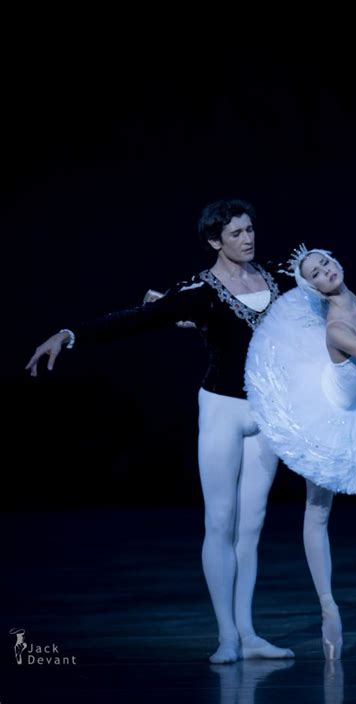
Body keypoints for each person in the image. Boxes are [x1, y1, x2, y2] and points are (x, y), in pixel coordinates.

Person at [25, 199, 295, 664]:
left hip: (269, 413)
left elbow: (323, 297)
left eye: (250, 229)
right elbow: (136, 320)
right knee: (219, 521)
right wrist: (70, 334)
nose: (247, 239)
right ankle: (226, 637)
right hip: (222, 410)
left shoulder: (278, 278)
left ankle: (249, 633)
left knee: (251, 527)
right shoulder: (199, 291)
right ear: (215, 241)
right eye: (236, 233)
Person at [245, 244, 356, 660]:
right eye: (315, 271)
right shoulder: (335, 328)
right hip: (327, 413)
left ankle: (328, 607)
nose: (325, 270)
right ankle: (329, 608)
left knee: (320, 511)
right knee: (318, 510)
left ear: (338, 264)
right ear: (311, 286)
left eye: (326, 262)